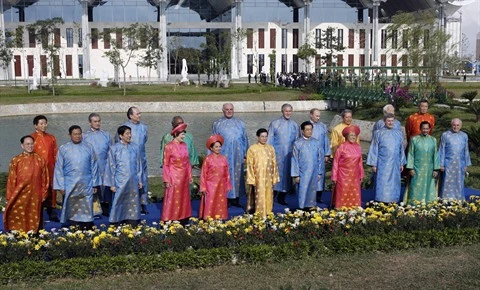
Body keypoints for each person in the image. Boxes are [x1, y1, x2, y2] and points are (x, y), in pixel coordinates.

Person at [53, 125, 100, 229]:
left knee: (86, 205)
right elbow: (59, 168)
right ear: (70, 135)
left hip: (86, 183)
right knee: (72, 206)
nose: (77, 136)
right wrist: (61, 186)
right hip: (70, 183)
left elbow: (94, 166)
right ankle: (73, 226)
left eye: (79, 134)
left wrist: (95, 183)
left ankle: (87, 226)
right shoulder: (63, 149)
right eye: (75, 134)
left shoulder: (89, 147)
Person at [4, 136, 49, 232]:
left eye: (32, 144)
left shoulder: (40, 159)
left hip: (35, 194)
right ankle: (18, 235)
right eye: (27, 144)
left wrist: (44, 193)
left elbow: (45, 178)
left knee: (35, 215)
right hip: (20, 193)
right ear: (22, 146)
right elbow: (11, 179)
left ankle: (35, 235)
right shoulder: (16, 160)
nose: (30, 146)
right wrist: (10, 196)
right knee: (19, 214)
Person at [104, 125, 143, 227]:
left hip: (133, 180)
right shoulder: (114, 148)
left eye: (130, 133)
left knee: (133, 199)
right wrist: (112, 184)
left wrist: (140, 180)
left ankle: (133, 220)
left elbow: (139, 165)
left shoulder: (135, 147)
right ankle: (116, 221)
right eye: (127, 134)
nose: (129, 136)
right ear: (121, 136)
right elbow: (111, 166)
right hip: (120, 181)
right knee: (118, 200)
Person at [211, 103, 248, 208]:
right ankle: (225, 199)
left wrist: (246, 154)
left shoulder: (240, 123)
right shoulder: (217, 124)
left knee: (237, 177)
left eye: (231, 109)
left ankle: (236, 199)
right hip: (223, 155)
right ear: (223, 110)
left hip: (238, 156)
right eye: (227, 109)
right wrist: (212, 157)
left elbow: (245, 139)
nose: (229, 111)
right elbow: (212, 141)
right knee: (224, 177)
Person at [367, 113, 406, 203]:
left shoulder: (398, 133)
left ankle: (394, 200)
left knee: (394, 183)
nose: (390, 123)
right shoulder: (378, 133)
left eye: (392, 121)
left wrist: (401, 162)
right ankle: (381, 201)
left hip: (395, 163)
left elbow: (401, 149)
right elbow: (374, 149)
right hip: (383, 163)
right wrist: (373, 164)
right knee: (383, 183)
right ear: (384, 121)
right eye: (388, 121)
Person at [118, 106, 149, 215]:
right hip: (128, 161)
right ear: (131, 115)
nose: (139, 115)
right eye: (137, 114)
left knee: (143, 180)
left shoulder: (144, 127)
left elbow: (144, 141)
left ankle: (143, 204)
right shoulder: (123, 127)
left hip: (141, 159)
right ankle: (127, 204)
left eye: (140, 113)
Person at [267, 103, 299, 205]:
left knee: (287, 177)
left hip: (290, 156)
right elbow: (269, 140)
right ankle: (271, 196)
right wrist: (269, 155)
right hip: (277, 156)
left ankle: (282, 197)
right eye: (286, 111)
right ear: (282, 111)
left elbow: (298, 142)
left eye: (290, 111)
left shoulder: (295, 125)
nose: (288, 113)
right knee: (275, 176)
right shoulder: (275, 124)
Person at [161, 123, 192, 224]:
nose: (184, 136)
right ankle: (171, 217)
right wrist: (166, 179)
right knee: (173, 197)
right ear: (176, 134)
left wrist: (190, 175)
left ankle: (183, 217)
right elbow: (165, 164)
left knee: (184, 197)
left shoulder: (184, 145)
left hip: (184, 176)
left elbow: (187, 162)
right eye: (182, 134)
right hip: (173, 176)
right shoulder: (168, 146)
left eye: (184, 134)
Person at [82, 113, 112, 216]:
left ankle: (105, 205)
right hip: (90, 165)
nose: (97, 123)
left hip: (104, 164)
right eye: (95, 121)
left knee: (105, 185)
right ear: (89, 122)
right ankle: (93, 207)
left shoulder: (106, 135)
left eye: (99, 121)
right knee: (93, 185)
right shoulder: (85, 136)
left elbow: (110, 150)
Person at [31, 115, 59, 222]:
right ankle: (38, 211)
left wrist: (57, 167)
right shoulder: (32, 138)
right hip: (38, 169)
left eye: (45, 123)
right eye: (41, 124)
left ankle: (52, 210)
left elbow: (55, 153)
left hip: (51, 168)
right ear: (36, 125)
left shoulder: (51, 137)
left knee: (52, 189)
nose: (43, 126)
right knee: (39, 189)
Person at [246, 128, 279, 217]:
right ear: (258, 137)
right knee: (259, 195)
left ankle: (268, 212)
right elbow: (249, 165)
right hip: (258, 177)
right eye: (262, 136)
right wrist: (251, 179)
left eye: (266, 136)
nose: (264, 138)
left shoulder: (270, 148)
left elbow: (274, 163)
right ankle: (259, 213)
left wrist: (275, 177)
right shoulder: (252, 149)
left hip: (268, 176)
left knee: (268, 194)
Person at [291, 121, 324, 210]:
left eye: (311, 129)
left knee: (312, 190)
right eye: (307, 129)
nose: (309, 131)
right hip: (303, 172)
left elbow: (320, 158)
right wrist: (296, 174)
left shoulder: (316, 142)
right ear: (302, 131)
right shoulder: (297, 143)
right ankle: (301, 207)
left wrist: (320, 172)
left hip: (314, 171)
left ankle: (311, 206)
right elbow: (294, 159)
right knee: (302, 190)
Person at [405, 121, 440, 204]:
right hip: (417, 168)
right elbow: (411, 154)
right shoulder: (414, 139)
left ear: (429, 129)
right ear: (420, 129)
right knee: (416, 186)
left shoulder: (433, 140)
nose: (425, 130)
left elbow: (435, 155)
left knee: (429, 186)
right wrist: (410, 168)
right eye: (423, 129)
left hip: (429, 169)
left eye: (427, 129)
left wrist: (436, 169)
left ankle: (429, 204)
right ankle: (414, 204)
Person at [198, 135, 232, 220]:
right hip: (210, 185)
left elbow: (227, 173)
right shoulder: (208, 159)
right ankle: (209, 219)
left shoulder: (224, 158)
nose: (218, 148)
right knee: (211, 201)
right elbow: (203, 174)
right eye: (216, 147)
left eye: (219, 146)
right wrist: (203, 187)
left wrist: (228, 184)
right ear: (211, 148)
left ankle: (220, 218)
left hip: (221, 185)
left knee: (220, 201)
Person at [438, 118, 471, 200]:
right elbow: (441, 150)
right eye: (454, 125)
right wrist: (441, 164)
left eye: (457, 125)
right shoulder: (445, 135)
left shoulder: (464, 136)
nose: (455, 127)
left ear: (461, 126)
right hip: (448, 163)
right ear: (451, 125)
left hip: (460, 164)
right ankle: (445, 200)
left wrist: (467, 163)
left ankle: (458, 199)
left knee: (459, 182)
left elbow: (466, 150)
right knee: (447, 182)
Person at [331, 126, 364, 209]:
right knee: (343, 192)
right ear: (346, 136)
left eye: (354, 136)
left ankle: (354, 210)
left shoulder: (358, 147)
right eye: (351, 135)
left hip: (355, 175)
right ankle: (340, 210)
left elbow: (360, 162)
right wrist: (334, 176)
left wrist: (361, 175)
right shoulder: (341, 147)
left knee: (354, 193)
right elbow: (336, 162)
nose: (353, 137)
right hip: (343, 175)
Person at [309, 108, 331, 202]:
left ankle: (319, 197)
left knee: (320, 176)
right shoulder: (306, 126)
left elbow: (326, 140)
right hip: (309, 155)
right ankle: (309, 196)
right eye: (316, 116)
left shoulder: (323, 126)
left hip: (320, 155)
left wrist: (327, 154)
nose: (318, 118)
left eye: (319, 116)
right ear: (311, 115)